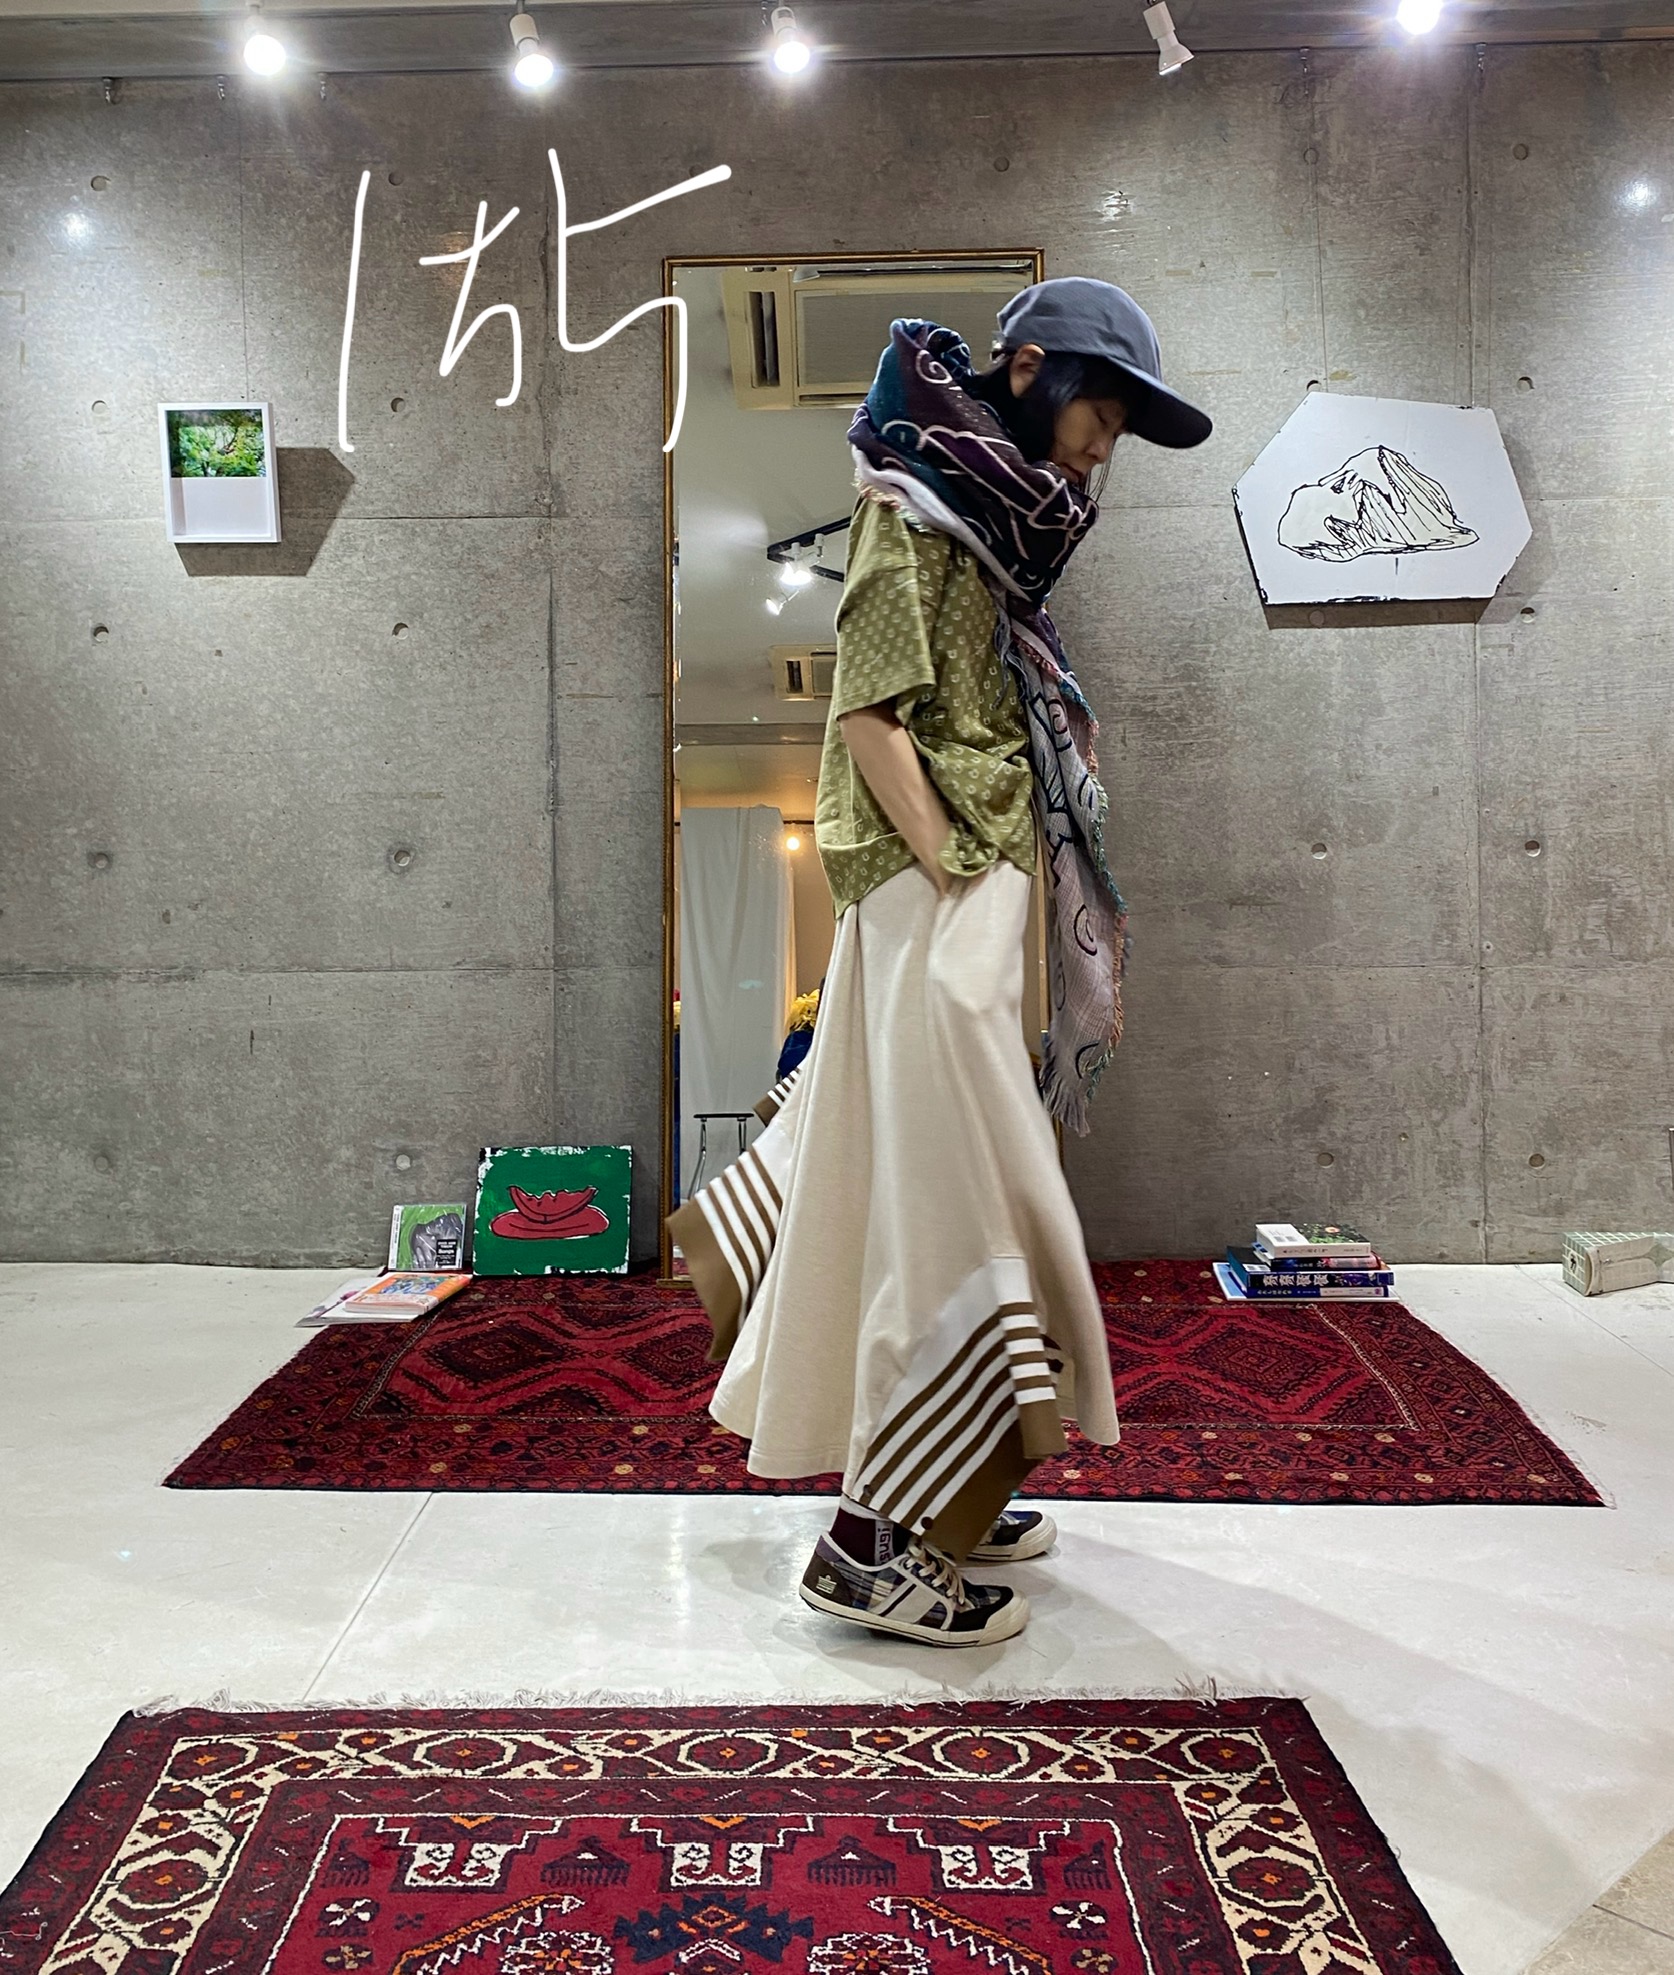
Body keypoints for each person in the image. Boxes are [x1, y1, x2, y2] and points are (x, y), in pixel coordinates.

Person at [669, 278, 1211, 1647]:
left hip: (957, 880)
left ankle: (946, 1493)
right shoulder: (911, 508)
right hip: (934, 883)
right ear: (1031, 372)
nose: (1106, 444)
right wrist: (957, 867)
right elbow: (866, 714)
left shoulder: (986, 525)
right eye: (1102, 410)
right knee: (956, 1194)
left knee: (929, 1181)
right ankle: (871, 1545)